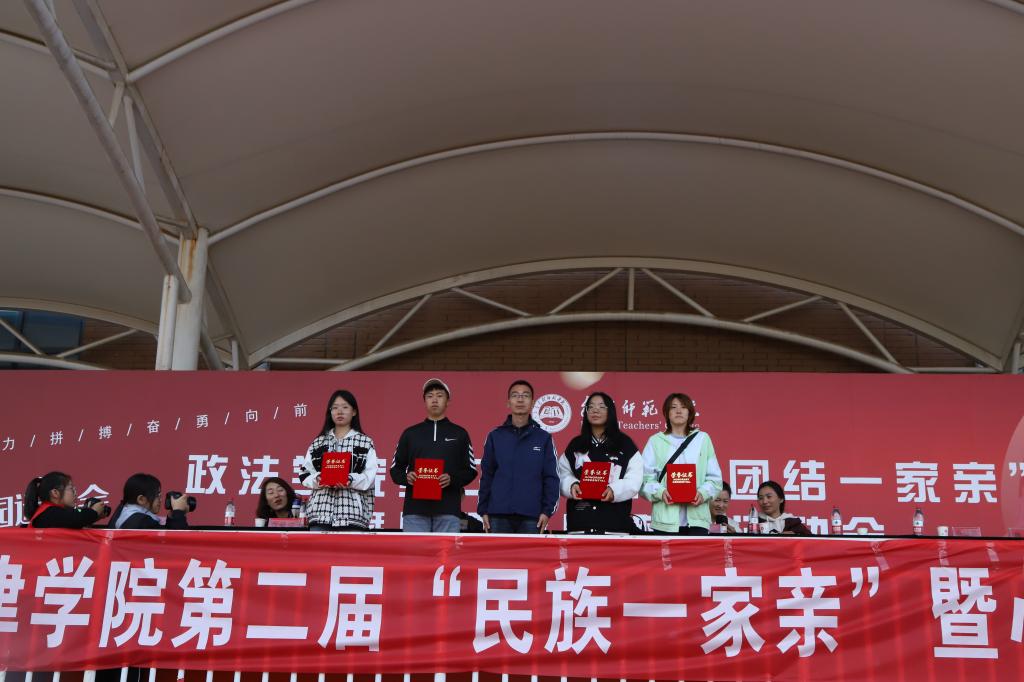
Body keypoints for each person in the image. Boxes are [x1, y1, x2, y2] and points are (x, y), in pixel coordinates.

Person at [390, 378, 477, 533]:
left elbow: (470, 470)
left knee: (446, 550)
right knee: (415, 550)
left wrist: (452, 479)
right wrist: (406, 477)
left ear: (448, 401)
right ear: (424, 401)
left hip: (448, 510)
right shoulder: (410, 433)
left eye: (439, 395)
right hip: (415, 510)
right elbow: (395, 469)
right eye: (430, 396)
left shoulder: (460, 433)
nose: (434, 400)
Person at [477, 379, 559, 533]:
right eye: (515, 395)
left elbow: (551, 477)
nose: (520, 399)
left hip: (532, 516)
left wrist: (547, 511)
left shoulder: (544, 438)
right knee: (498, 551)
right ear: (508, 402)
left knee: (530, 552)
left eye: (525, 395)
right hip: (498, 514)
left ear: (532, 403)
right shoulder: (495, 436)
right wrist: (483, 510)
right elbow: (487, 475)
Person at [557, 391, 643, 533]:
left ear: (611, 412)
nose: (595, 410)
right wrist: (572, 485)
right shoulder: (576, 444)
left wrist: (614, 490)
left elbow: (635, 479)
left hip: (615, 526)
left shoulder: (625, 444)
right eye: (591, 407)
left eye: (602, 407)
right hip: (580, 525)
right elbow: (562, 473)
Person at [640, 393, 723, 535]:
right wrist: (660, 492)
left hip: (697, 521)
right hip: (664, 523)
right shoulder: (655, 441)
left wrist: (702, 494)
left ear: (690, 412)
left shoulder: (702, 439)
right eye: (673, 407)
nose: (678, 411)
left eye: (683, 407)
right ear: (666, 413)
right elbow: (644, 480)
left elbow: (715, 479)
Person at [299, 389, 378, 531]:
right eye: (335, 408)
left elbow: (370, 477)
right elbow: (304, 474)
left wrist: (349, 479)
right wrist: (319, 479)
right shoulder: (318, 443)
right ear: (330, 412)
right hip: (320, 514)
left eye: (345, 407)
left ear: (354, 412)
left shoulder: (365, 442)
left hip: (352, 516)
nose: (339, 412)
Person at [24, 471, 105, 528]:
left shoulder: (51, 513)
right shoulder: (50, 513)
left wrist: (93, 518)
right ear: (55, 493)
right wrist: (94, 512)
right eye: (71, 489)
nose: (75, 493)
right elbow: (76, 518)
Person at [109, 473, 190, 529]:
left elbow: (165, 534)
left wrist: (172, 516)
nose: (160, 500)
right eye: (158, 496)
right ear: (141, 499)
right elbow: (175, 540)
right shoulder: (141, 521)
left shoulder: (121, 515)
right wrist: (178, 512)